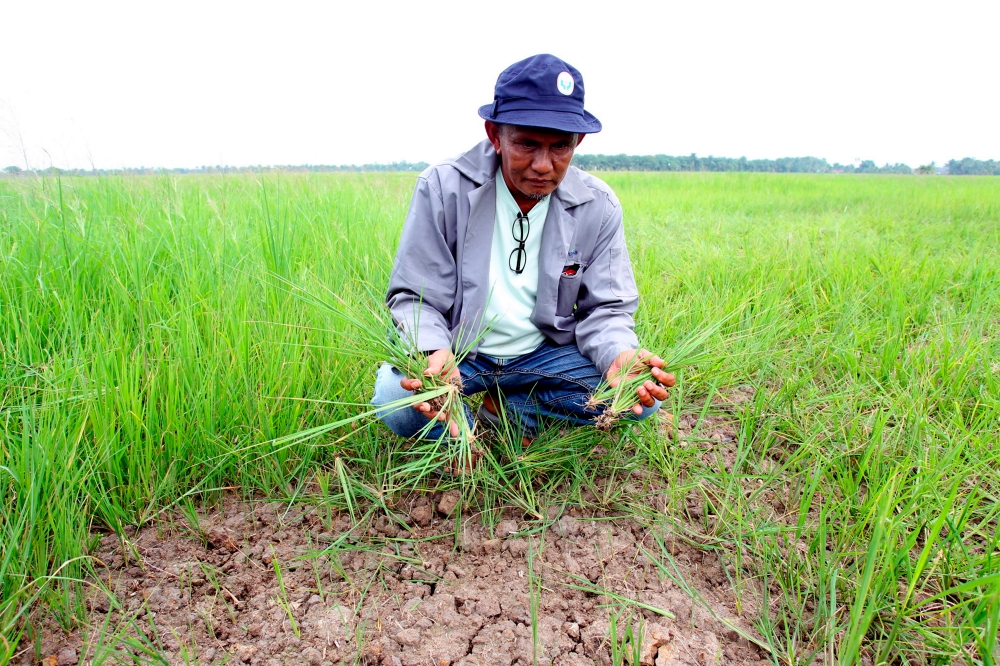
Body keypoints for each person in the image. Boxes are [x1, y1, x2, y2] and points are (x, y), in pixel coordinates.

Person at [372, 54, 674, 446]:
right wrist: (434, 350)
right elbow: (414, 296)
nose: (543, 165)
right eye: (527, 144)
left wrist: (619, 354)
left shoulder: (596, 204)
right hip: (461, 353)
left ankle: (510, 411)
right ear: (495, 135)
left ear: (578, 142)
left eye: (560, 147)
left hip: (542, 356)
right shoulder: (444, 189)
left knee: (637, 398)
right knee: (397, 398)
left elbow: (608, 308)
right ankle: (464, 430)